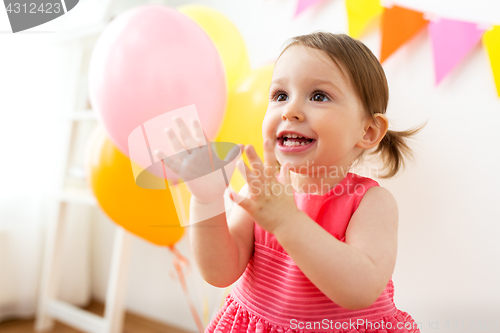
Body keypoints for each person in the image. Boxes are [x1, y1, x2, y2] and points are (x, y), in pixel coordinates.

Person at [159, 32, 426, 333]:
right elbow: (219, 271)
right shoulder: (260, 191)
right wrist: (206, 200)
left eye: (319, 96)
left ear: (367, 131)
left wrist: (287, 221)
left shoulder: (370, 203)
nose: (290, 110)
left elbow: (361, 290)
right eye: (280, 96)